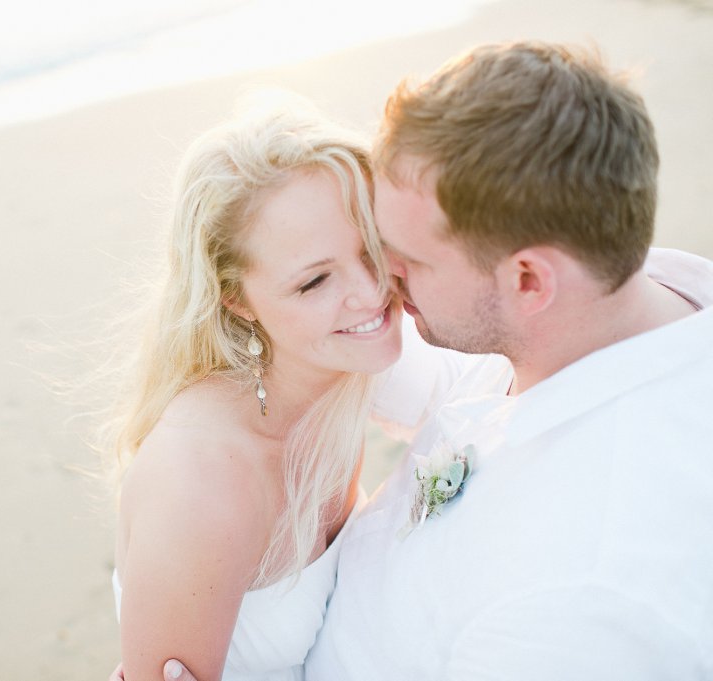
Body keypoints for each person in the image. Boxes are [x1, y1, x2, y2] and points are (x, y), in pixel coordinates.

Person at [149, 41, 713, 681]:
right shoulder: (606, 309)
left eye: (403, 256)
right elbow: (446, 386)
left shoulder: (581, 601)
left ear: (528, 281)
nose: (380, 280)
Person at [105, 97, 404, 681]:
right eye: (314, 281)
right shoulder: (203, 484)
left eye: (373, 247)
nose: (371, 293)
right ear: (236, 298)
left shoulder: (335, 375)